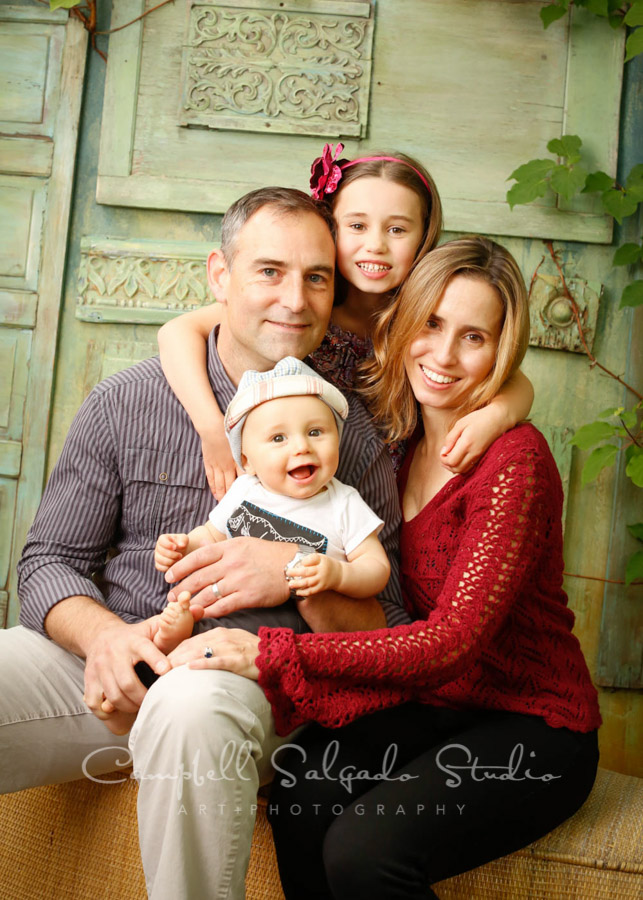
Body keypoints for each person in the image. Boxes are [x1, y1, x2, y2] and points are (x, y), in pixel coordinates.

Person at [0, 187, 407, 900]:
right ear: (219, 275)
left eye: (316, 277)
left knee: (189, 711)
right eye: (269, 271)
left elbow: (390, 632)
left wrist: (295, 573)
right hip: (106, 662)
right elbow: (48, 561)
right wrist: (102, 638)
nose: (295, 298)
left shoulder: (348, 437)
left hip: (243, 684)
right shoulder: (127, 400)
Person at [190, 237, 602, 899]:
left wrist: (269, 651)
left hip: (532, 725)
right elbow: (193, 326)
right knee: (301, 789)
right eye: (431, 324)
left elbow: (450, 644)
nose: (442, 355)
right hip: (433, 707)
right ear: (403, 323)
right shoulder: (392, 438)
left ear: (502, 349)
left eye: (473, 336)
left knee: (365, 852)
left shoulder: (512, 465)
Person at [157, 144, 534, 498]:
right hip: (298, 486)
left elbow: (508, 374)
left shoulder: (420, 318)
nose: (376, 245)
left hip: (384, 501)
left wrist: (498, 415)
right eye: (357, 226)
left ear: (424, 238)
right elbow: (177, 332)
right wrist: (212, 427)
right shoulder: (302, 309)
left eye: (397, 230)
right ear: (330, 229)